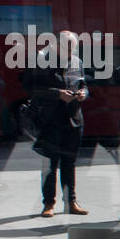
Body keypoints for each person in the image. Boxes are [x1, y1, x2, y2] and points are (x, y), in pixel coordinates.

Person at [29, 30, 89, 217]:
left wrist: (83, 94)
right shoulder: (41, 60)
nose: (70, 50)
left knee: (69, 163)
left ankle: (71, 201)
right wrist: (57, 94)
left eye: (73, 47)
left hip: (74, 119)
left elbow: (84, 84)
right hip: (51, 120)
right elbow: (31, 88)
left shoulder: (77, 62)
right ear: (55, 45)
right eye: (67, 46)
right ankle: (49, 203)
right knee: (50, 164)